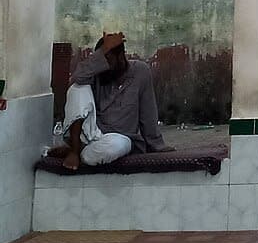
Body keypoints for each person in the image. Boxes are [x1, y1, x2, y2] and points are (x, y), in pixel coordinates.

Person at [48, 32, 171, 170]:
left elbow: (148, 113)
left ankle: (78, 152)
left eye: (108, 60)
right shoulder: (97, 73)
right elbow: (77, 78)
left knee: (114, 147)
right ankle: (76, 149)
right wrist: (103, 51)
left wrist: (157, 146)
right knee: (78, 87)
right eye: (101, 59)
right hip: (93, 134)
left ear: (121, 57)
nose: (104, 65)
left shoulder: (140, 72)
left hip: (119, 139)